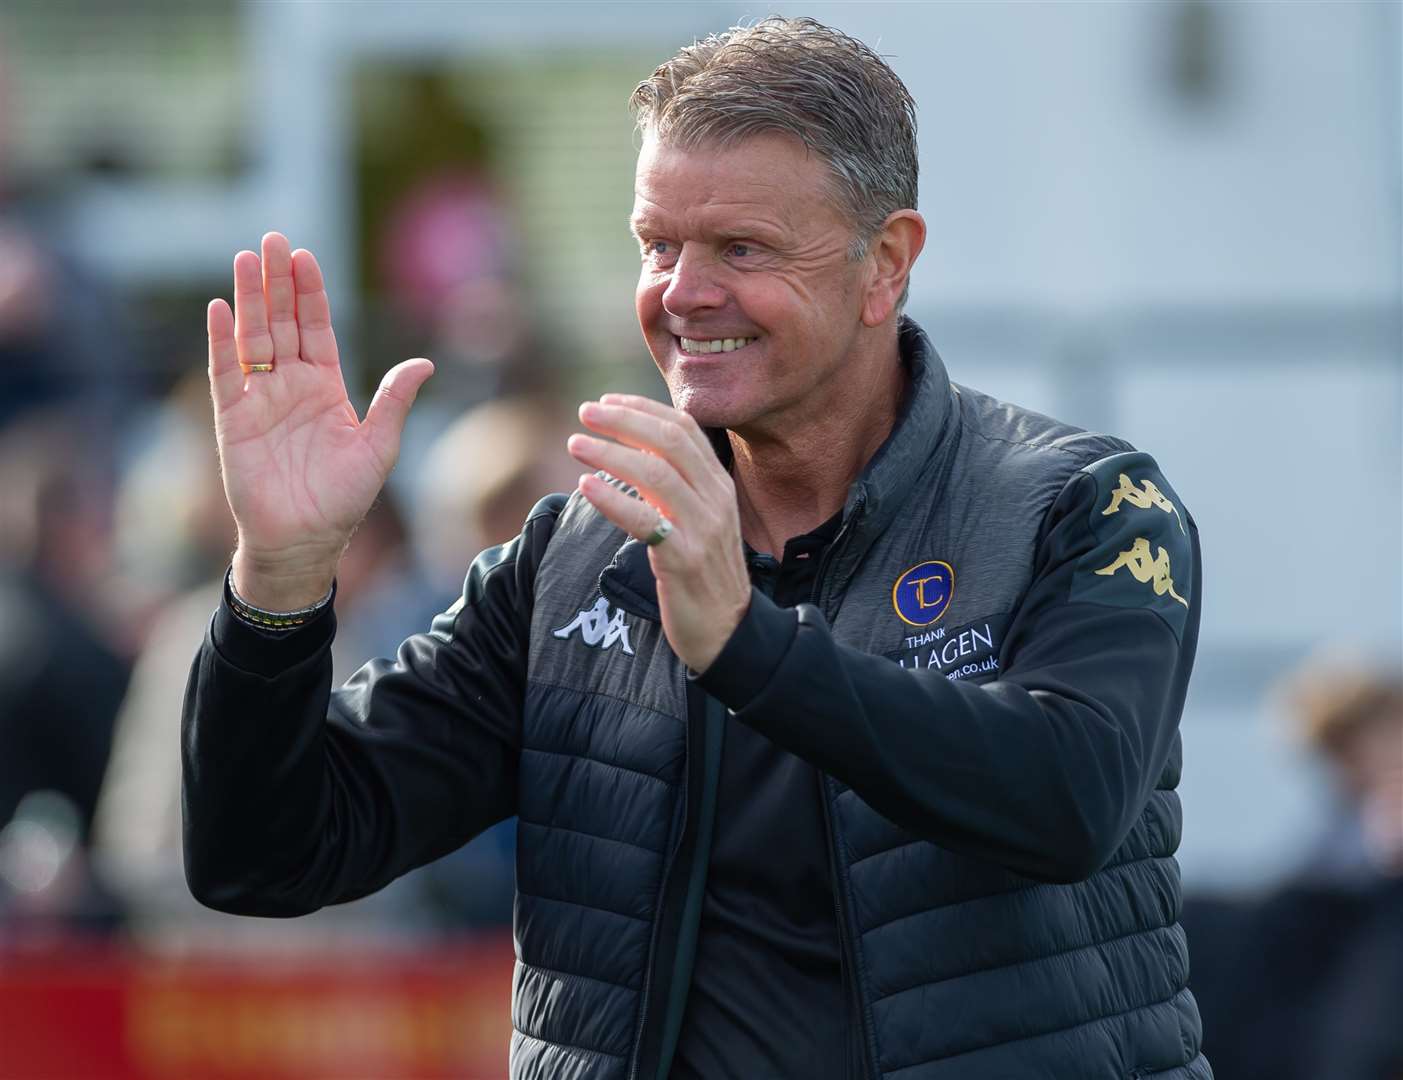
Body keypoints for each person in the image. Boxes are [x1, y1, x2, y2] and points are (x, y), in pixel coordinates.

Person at [182, 17, 1209, 1080]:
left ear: (884, 264)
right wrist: (283, 578)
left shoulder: (1083, 506)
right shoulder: (576, 558)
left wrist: (746, 647)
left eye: (741, 249)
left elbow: (1067, 802)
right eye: (656, 244)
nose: (681, 292)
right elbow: (264, 856)